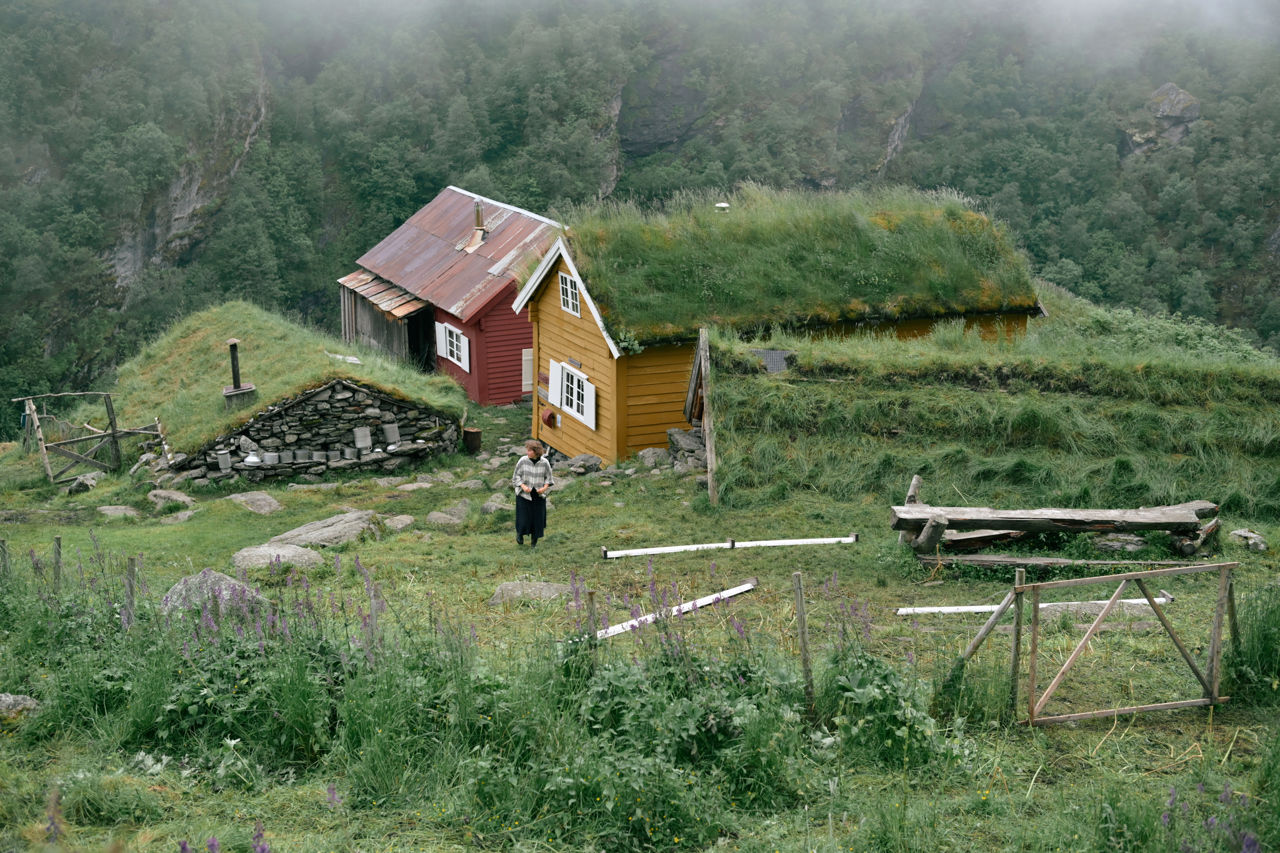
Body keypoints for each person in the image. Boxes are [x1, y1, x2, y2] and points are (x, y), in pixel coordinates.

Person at [512, 439, 554, 547]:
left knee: (537, 519)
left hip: (538, 495)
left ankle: (534, 542)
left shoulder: (545, 463)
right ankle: (519, 534)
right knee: (523, 518)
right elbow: (516, 476)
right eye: (527, 450)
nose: (527, 452)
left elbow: (549, 479)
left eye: (530, 450)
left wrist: (544, 489)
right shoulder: (522, 460)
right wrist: (523, 486)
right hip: (524, 494)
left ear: (536, 452)